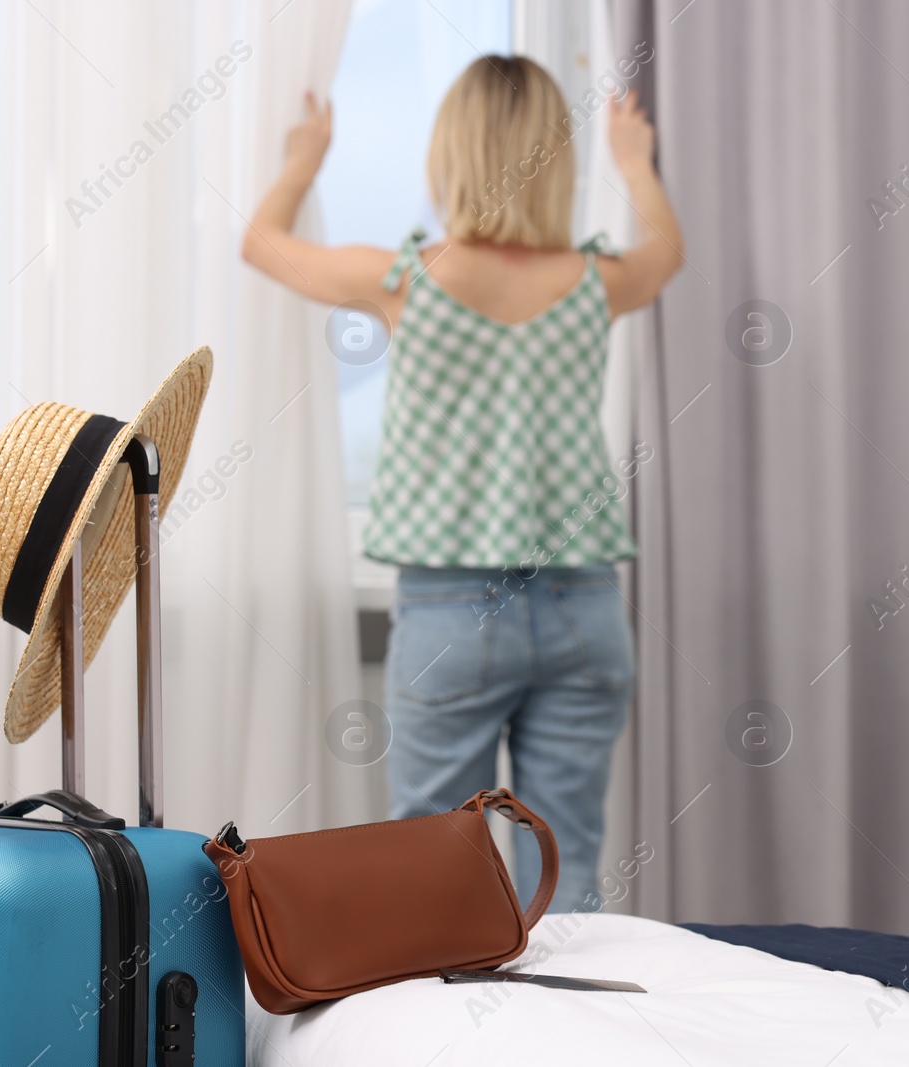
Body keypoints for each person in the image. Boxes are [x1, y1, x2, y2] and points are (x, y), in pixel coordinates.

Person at [241, 55, 682, 911]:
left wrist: (304, 158)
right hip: (585, 610)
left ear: (452, 155)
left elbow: (260, 243)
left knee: (432, 863)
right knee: (567, 866)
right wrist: (635, 162)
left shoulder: (404, 278)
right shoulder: (598, 281)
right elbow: (667, 251)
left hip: (450, 614)